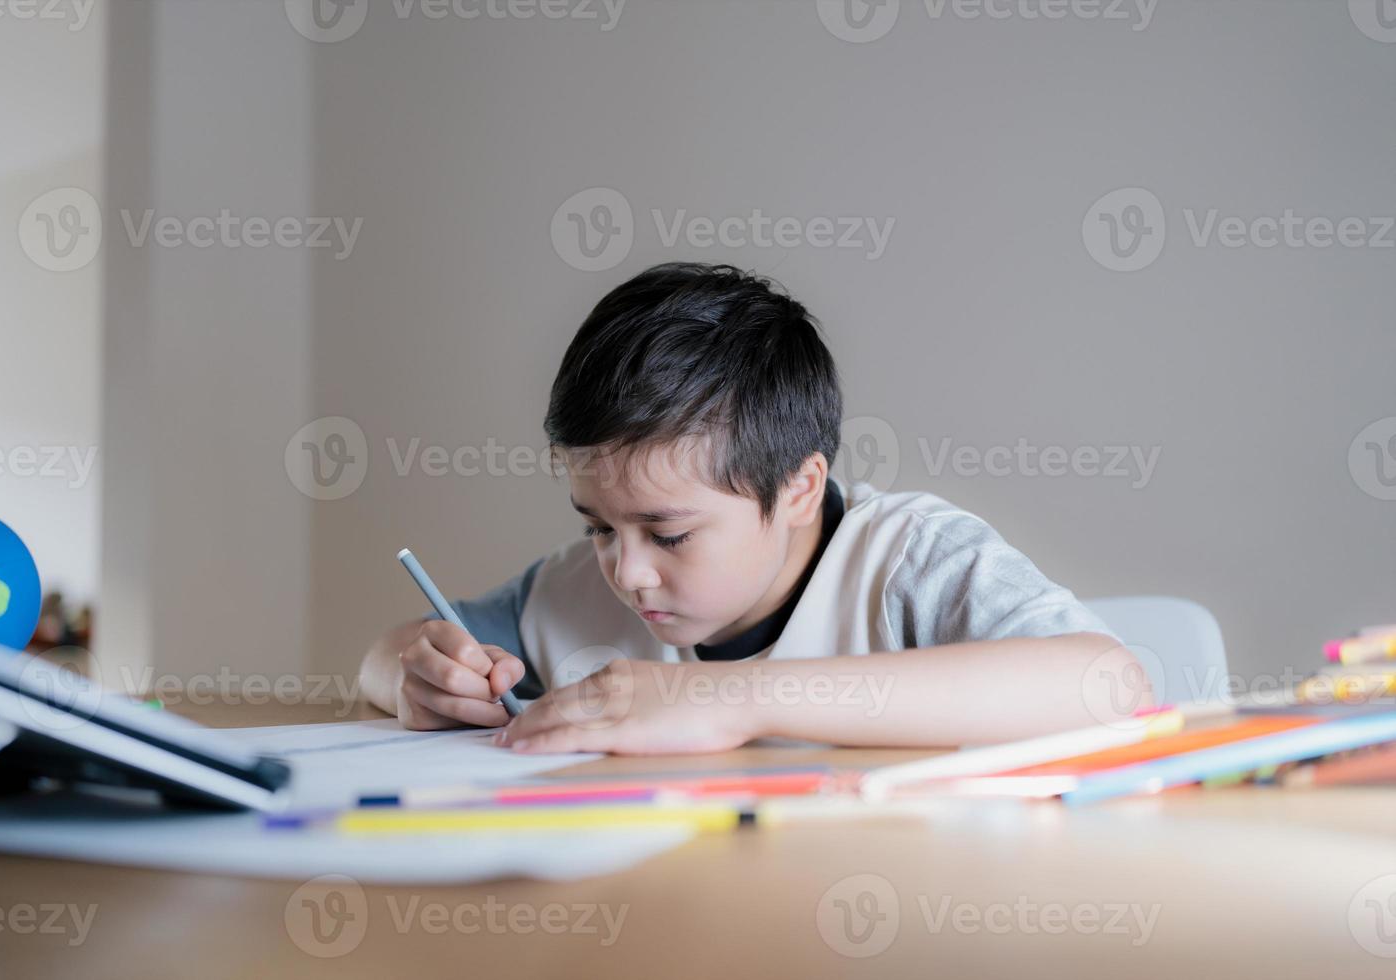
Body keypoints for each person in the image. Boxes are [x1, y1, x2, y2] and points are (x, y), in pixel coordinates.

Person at [359, 262, 1148, 754]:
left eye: (669, 534)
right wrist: (408, 671)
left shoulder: (904, 563)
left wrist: (726, 698)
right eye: (597, 525)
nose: (627, 572)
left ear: (800, 487)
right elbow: (401, 649)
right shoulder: (569, 593)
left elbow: (1111, 686)